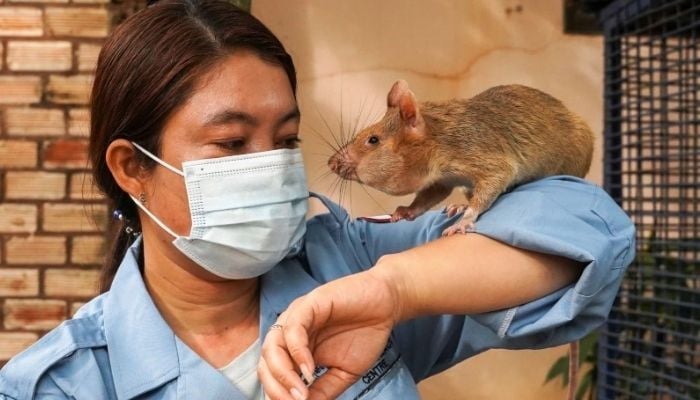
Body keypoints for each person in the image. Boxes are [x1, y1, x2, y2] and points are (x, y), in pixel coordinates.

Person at [0, 0, 635, 399]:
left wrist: (393, 292)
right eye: (230, 142)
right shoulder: (55, 384)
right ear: (133, 168)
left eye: (286, 139)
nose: (272, 167)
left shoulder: (346, 266)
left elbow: (583, 224)